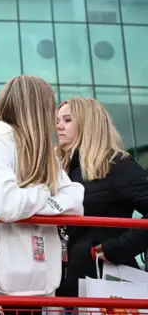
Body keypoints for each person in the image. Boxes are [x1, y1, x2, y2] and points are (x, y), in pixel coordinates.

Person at [0, 75, 84, 315]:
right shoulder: (0, 139)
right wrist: (45, 194)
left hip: (30, 283)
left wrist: (38, 203)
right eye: (49, 108)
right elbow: (6, 204)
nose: (53, 119)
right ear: (37, 109)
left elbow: (75, 199)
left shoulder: (41, 151)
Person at [55, 97, 148, 298]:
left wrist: (120, 248)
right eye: (57, 121)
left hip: (106, 286)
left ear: (88, 123)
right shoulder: (59, 171)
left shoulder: (116, 165)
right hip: (63, 288)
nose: (59, 126)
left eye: (67, 120)